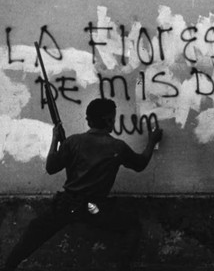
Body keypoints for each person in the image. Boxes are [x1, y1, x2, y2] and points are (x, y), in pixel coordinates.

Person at [2, 98, 163, 271]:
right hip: (94, 208)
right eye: (113, 118)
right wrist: (152, 141)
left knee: (34, 231)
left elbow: (51, 168)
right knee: (133, 227)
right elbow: (140, 164)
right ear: (109, 120)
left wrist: (55, 139)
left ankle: (9, 266)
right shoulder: (118, 147)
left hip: (67, 206)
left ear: (88, 120)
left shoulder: (73, 142)